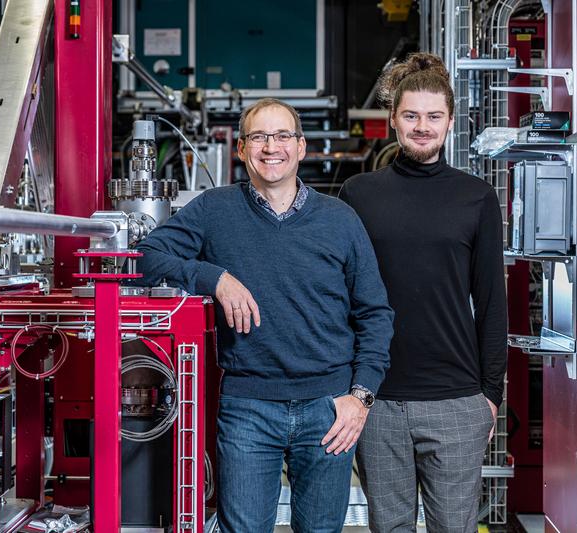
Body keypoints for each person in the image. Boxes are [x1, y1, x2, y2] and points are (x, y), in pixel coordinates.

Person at [135, 97, 394, 532]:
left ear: (301, 146)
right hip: (248, 408)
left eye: (281, 136)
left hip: (329, 408)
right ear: (240, 149)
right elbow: (144, 257)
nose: (270, 147)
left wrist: (361, 397)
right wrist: (212, 277)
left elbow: (375, 313)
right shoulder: (214, 209)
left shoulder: (341, 220)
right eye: (258, 136)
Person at [338, 53, 508, 533]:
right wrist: (349, 389)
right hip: (378, 399)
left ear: (450, 121)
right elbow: (340, 298)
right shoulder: (359, 194)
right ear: (393, 119)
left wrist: (490, 395)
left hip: (457, 400)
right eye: (411, 115)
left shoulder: (476, 197)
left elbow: (491, 302)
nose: (422, 126)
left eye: (433, 117)